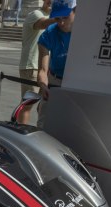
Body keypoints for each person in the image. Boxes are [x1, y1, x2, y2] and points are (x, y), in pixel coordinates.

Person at [36, 0, 75, 128]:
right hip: (55, 81)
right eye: (57, 18)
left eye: (65, 17)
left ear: (75, 12)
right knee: (44, 122)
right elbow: (42, 69)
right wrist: (43, 85)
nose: (62, 22)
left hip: (77, 83)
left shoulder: (86, 31)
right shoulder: (49, 33)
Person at [17, 0, 54, 124]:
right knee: (27, 105)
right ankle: (19, 133)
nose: (51, 1)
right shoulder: (36, 14)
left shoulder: (57, 19)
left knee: (43, 105)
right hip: (31, 66)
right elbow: (43, 24)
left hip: (46, 68)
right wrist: (62, 16)